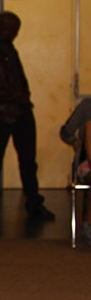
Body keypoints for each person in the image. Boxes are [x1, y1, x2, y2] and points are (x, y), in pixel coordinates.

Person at [0, 12, 55, 222]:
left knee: (28, 161)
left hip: (21, 112)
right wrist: (18, 96)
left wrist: (22, 99)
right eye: (15, 29)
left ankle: (33, 203)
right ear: (5, 28)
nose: (17, 34)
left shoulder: (5, 47)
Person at [60, 97, 91, 243]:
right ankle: (88, 222)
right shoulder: (88, 106)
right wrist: (74, 141)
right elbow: (65, 131)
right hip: (87, 163)